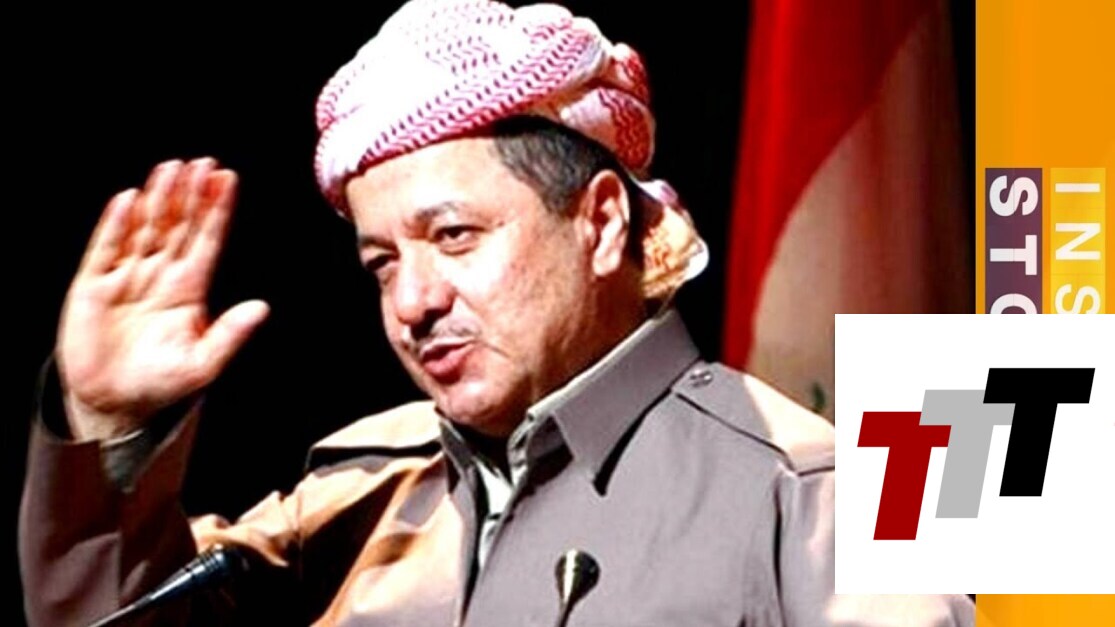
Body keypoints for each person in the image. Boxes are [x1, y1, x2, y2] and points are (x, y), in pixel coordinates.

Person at [19, 1, 975, 625]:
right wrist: (104, 424)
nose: (413, 301)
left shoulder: (814, 494)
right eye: (381, 262)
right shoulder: (354, 495)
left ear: (600, 222)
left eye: (455, 236)